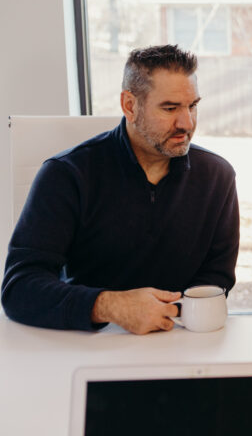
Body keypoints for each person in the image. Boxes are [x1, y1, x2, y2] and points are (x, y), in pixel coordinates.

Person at [1, 45, 239, 334]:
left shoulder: (218, 177)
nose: (186, 123)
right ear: (129, 105)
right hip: (87, 343)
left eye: (192, 106)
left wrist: (166, 314)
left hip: (180, 339)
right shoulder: (66, 174)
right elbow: (19, 288)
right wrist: (111, 306)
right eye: (170, 108)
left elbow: (216, 280)